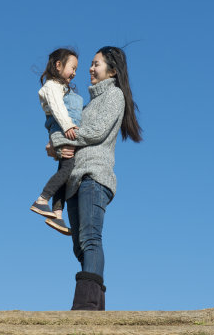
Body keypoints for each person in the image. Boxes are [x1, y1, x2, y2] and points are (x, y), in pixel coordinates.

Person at [48, 46, 142, 310]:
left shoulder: (114, 96)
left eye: (96, 64)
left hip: (95, 177)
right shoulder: (88, 103)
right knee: (80, 246)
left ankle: (86, 307)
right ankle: (95, 308)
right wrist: (57, 144)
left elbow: (95, 132)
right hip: (75, 180)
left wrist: (58, 139)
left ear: (112, 70)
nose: (90, 68)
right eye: (90, 63)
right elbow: (75, 134)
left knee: (90, 239)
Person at [30, 48, 83, 235]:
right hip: (62, 130)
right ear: (58, 65)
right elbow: (58, 108)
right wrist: (68, 126)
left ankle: (57, 214)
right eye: (73, 67)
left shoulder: (62, 88)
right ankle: (42, 200)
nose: (75, 73)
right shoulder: (52, 86)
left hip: (63, 130)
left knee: (65, 172)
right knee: (68, 169)